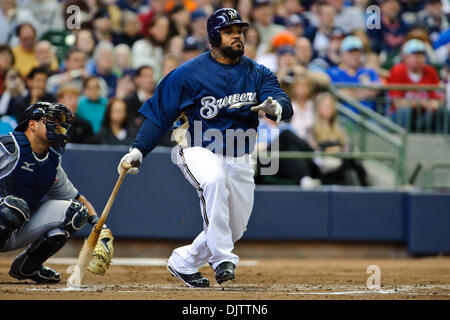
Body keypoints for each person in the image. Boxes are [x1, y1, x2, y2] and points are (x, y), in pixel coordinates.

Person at [117, 8, 293, 288]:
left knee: (234, 228)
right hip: (198, 147)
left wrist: (277, 107)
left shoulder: (258, 72)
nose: (237, 35)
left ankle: (184, 261)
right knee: (213, 180)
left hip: (241, 155)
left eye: (240, 31)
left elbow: (281, 99)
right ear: (213, 35)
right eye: (230, 31)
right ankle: (223, 260)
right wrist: (138, 149)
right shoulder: (187, 74)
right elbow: (159, 115)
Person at [0, 101, 102, 283]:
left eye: (60, 121)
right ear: (32, 124)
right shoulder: (9, 146)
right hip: (7, 213)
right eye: (52, 120)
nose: (59, 126)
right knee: (14, 207)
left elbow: (79, 199)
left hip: (17, 227)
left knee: (76, 211)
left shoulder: (51, 162)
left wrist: (100, 229)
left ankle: (28, 267)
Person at [387, 39, 444, 131]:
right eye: (414, 55)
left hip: (424, 115)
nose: (417, 58)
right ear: (405, 57)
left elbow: (438, 99)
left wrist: (435, 104)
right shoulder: (397, 70)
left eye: (421, 55)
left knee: (440, 112)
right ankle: (404, 139)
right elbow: (397, 103)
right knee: (405, 111)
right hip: (398, 116)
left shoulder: (431, 71)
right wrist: (420, 103)